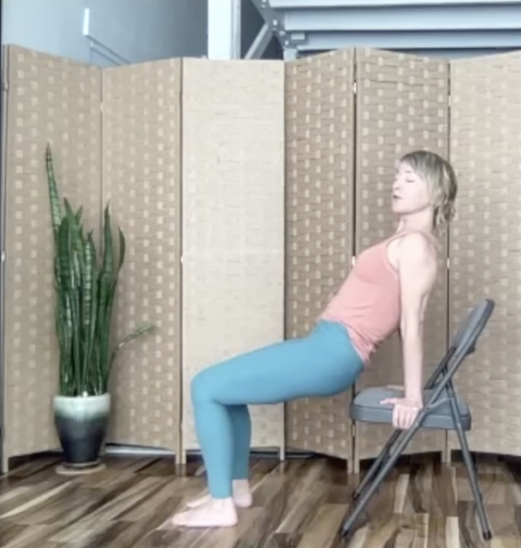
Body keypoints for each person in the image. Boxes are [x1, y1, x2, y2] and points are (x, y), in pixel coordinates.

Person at [171, 150, 458, 528]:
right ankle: (233, 489)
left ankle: (221, 505)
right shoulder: (405, 239)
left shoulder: (417, 245)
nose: (396, 184)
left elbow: (412, 322)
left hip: (334, 351)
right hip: (326, 344)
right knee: (227, 392)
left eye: (409, 178)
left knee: (205, 385)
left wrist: (413, 395)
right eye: (396, 176)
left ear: (435, 194)